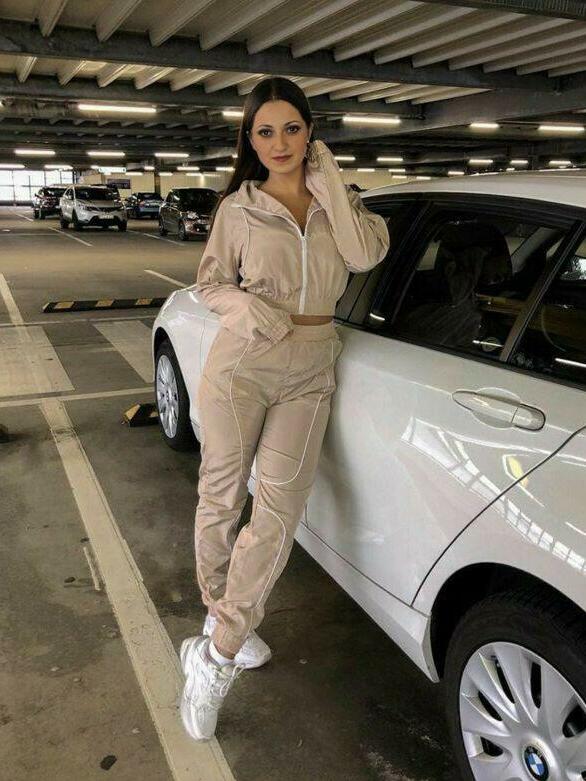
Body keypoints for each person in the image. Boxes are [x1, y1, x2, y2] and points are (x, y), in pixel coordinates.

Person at [180, 76, 390, 741]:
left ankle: (214, 652)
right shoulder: (238, 208)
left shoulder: (340, 203)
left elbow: (363, 255)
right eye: (265, 132)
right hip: (242, 364)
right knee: (221, 497)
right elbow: (210, 283)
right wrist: (247, 307)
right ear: (250, 139)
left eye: (292, 129)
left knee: (278, 511)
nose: (280, 143)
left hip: (310, 368)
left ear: (311, 133)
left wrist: (329, 183)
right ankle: (221, 617)